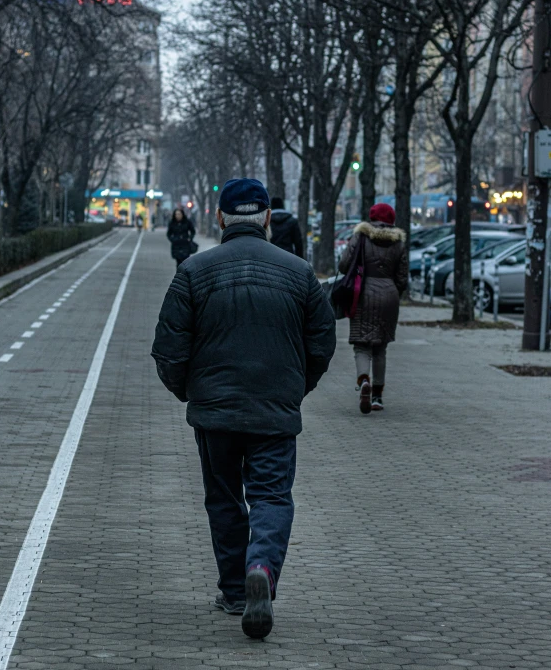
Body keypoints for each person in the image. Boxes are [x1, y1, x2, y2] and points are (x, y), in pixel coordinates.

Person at [152, 178, 335, 639]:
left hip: (215, 412)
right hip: (274, 409)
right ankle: (262, 569)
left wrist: (190, 392)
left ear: (219, 218)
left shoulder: (194, 270)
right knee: (271, 496)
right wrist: (297, 388)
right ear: (268, 218)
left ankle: (235, 591)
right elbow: (323, 343)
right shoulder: (299, 273)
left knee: (225, 498)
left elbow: (169, 349)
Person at [338, 202, 408, 415]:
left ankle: (363, 380)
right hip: (389, 295)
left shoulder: (361, 236)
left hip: (363, 294)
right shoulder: (398, 243)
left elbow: (344, 264)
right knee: (380, 347)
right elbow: (403, 277)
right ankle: (377, 396)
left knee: (361, 345)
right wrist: (393, 291)